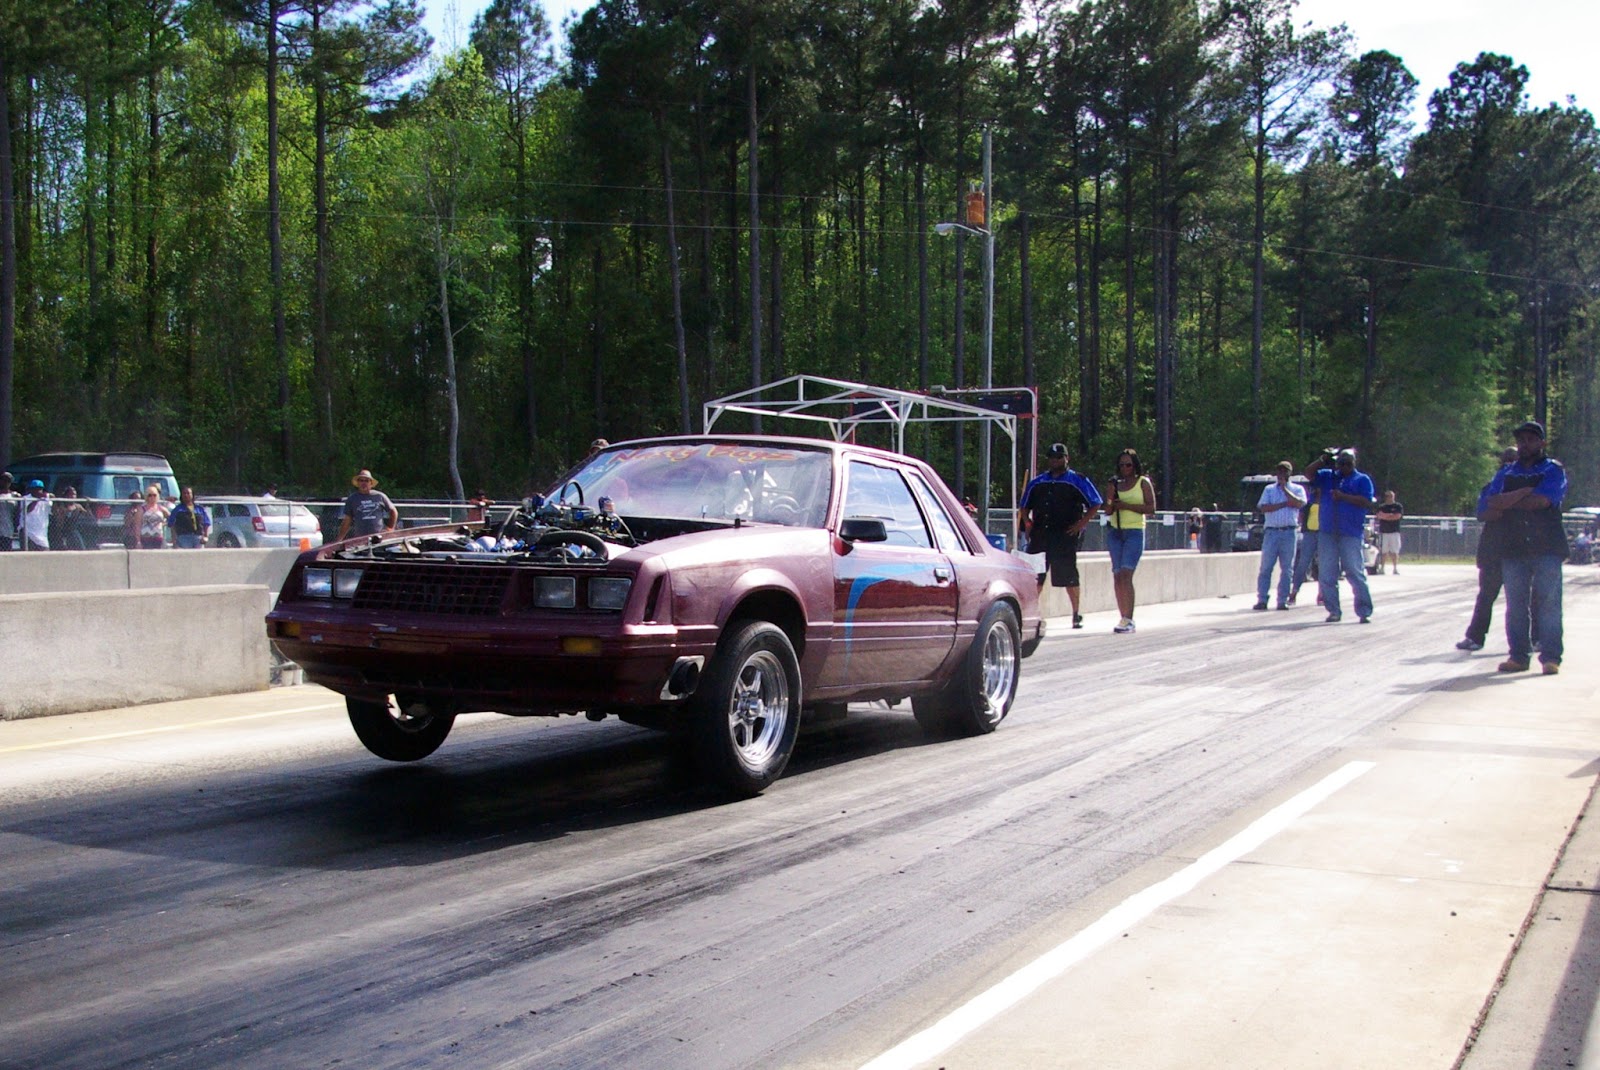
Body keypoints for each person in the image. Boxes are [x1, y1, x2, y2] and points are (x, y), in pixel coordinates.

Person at [1481, 420, 1566, 674]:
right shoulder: (1506, 472)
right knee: (1515, 605)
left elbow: (1542, 501)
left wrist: (1509, 501)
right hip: (1513, 546)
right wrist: (1524, 492)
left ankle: (1551, 658)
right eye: (1521, 440)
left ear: (1542, 443)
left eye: (1530, 439)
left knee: (1549, 604)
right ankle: (1518, 656)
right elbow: (1490, 504)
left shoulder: (1553, 470)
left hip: (1547, 546)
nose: (1525, 444)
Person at [1019, 442, 1102, 629]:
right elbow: (1024, 505)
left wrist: (1081, 524)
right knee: (1035, 576)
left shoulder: (1077, 480)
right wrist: (1028, 523)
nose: (1055, 461)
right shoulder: (1038, 482)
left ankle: (1076, 613)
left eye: (1059, 457)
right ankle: (1029, 614)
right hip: (1040, 535)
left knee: (1069, 575)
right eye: (1052, 457)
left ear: (1066, 458)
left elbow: (1095, 502)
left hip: (1064, 535)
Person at [1456, 448, 1520, 652]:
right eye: (1506, 460)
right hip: (1493, 548)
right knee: (1485, 596)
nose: (1509, 464)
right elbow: (1483, 513)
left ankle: (1531, 639)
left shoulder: (1527, 485)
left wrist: (1502, 507)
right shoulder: (1491, 485)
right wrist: (1503, 507)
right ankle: (1475, 637)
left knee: (1522, 599)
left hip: (1518, 549)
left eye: (1514, 460)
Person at [1302, 448, 1376, 623]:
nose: (1345, 467)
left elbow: (1367, 501)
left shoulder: (1362, 479)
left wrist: (1343, 496)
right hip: (1328, 532)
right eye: (1342, 463)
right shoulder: (1328, 477)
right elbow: (1308, 473)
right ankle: (1333, 610)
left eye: (1348, 464)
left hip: (1350, 532)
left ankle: (1364, 610)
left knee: (1354, 572)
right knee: (1327, 574)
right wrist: (1322, 459)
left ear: (1354, 463)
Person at [1103, 448, 1155, 634]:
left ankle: (1129, 618)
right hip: (1115, 531)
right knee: (1117, 575)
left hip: (1134, 531)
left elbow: (1151, 508)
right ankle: (1123, 616)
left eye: (1128, 465)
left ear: (1135, 465)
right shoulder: (1116, 484)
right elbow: (1108, 510)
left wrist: (1126, 506)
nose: (1125, 468)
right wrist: (1111, 497)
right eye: (1122, 465)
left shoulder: (1143, 482)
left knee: (1126, 573)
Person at [1254, 461, 1306, 611]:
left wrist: (1285, 490)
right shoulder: (1269, 489)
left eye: (1285, 471)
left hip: (1289, 532)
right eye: (1279, 471)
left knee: (1287, 569)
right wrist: (1284, 504)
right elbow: (1264, 507)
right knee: (1266, 568)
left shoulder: (1298, 489)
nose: (1281, 474)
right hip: (1272, 532)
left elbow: (1299, 504)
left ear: (1290, 473)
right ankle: (1262, 599)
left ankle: (1282, 600)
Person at [337, 468, 398, 542]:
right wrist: (339, 539)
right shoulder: (352, 499)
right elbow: (347, 520)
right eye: (361, 480)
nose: (364, 483)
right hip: (360, 539)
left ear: (371, 483)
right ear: (358, 483)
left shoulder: (380, 496)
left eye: (366, 481)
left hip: (379, 538)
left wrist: (390, 528)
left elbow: (393, 511)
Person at [50, 485, 93, 549]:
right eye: (71, 494)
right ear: (66, 495)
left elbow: (89, 515)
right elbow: (57, 516)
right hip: (63, 532)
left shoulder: (77, 506)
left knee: (81, 548)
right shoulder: (62, 506)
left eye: (74, 494)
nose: (73, 496)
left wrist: (87, 504)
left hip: (73, 531)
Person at [1375, 491, 1404, 574]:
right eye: (1388, 496)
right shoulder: (1382, 507)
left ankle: (1395, 568)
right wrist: (1390, 515)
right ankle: (1382, 568)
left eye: (1391, 496)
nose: (1390, 498)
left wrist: (1385, 516)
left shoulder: (1398, 506)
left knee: (1395, 551)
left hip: (1394, 532)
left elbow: (1397, 516)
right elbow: (1379, 516)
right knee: (1383, 551)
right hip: (1384, 532)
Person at [19, 479, 51, 550]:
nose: (38, 491)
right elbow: (27, 510)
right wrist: (37, 499)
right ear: (31, 489)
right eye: (36, 489)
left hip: (41, 533)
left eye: (40, 489)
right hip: (28, 532)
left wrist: (51, 498)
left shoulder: (46, 499)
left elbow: (52, 511)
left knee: (45, 552)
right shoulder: (25, 498)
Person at [0, 471, 19, 550]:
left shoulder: (14, 495)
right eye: (3, 480)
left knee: (7, 549)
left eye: (8, 481)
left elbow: (18, 512)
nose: (5, 483)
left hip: (8, 529)